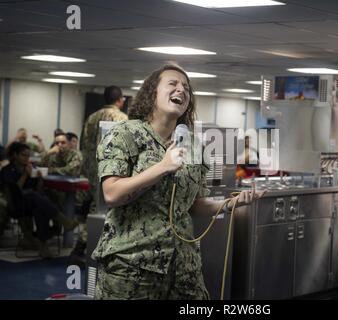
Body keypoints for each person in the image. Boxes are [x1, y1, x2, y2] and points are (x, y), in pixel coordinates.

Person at [92, 64, 265, 300]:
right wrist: (162, 167)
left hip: (184, 266)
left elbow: (197, 205)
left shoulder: (194, 146)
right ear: (152, 92)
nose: (181, 90)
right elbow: (112, 194)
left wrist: (231, 204)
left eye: (186, 87)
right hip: (131, 266)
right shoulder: (125, 134)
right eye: (173, 84)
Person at [71, 86, 128, 264]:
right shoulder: (122, 118)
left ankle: (84, 247)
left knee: (94, 209)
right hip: (109, 173)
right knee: (101, 212)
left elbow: (84, 145)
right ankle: (82, 248)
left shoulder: (91, 118)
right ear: (120, 100)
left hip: (91, 171)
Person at [0, 142, 78, 257]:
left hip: (30, 203)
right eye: (23, 155)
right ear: (15, 155)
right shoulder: (7, 170)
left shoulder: (32, 168)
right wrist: (25, 175)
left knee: (40, 206)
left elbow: (39, 191)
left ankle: (44, 246)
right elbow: (15, 191)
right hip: (14, 205)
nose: (26, 158)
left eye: (28, 155)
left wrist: (39, 179)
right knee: (34, 197)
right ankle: (63, 221)